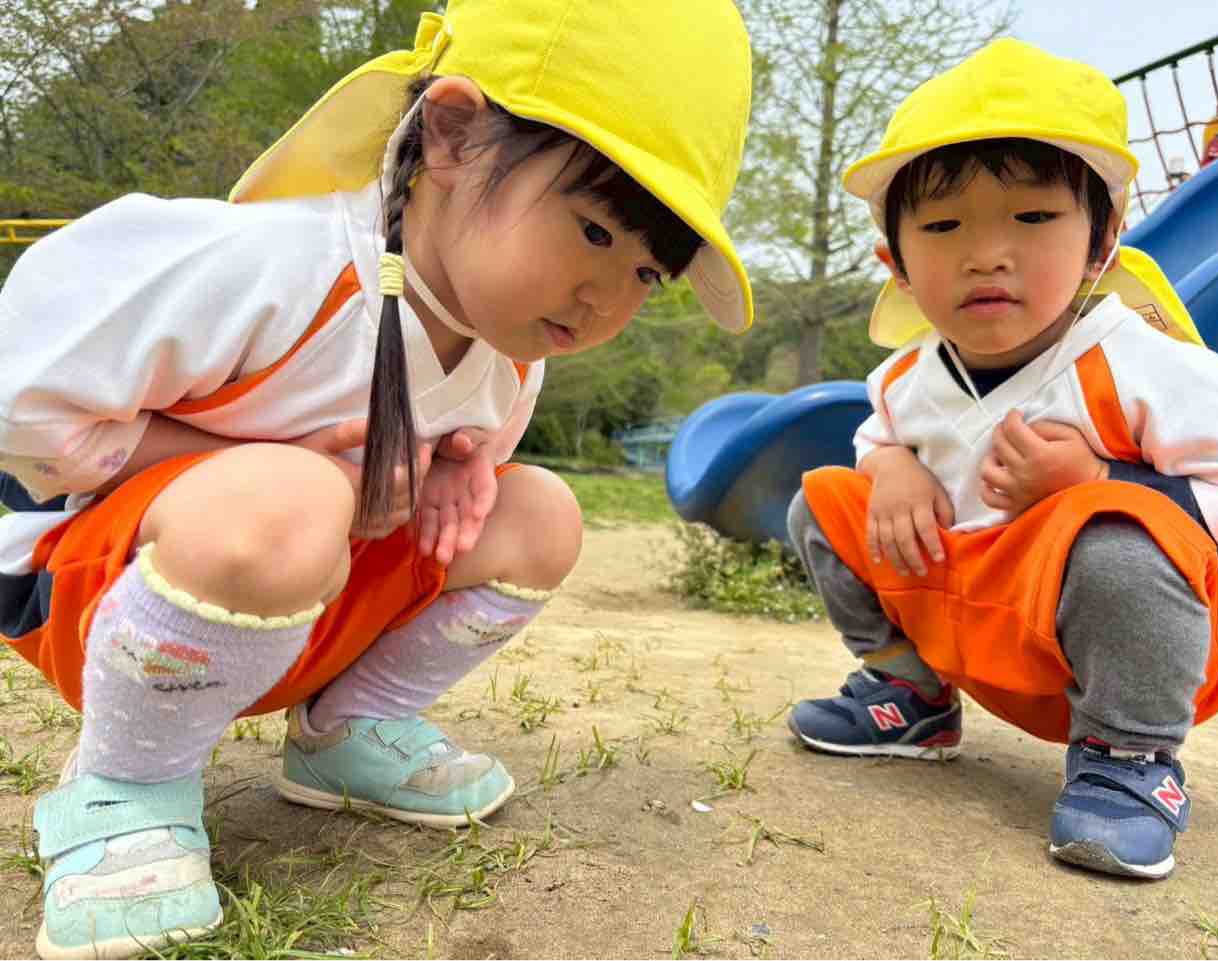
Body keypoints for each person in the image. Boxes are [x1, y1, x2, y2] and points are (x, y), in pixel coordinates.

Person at [0, 0, 753, 955]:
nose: (607, 296)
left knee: (540, 513)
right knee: (293, 498)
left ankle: (348, 727)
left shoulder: (509, 359)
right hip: (95, 595)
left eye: (648, 274)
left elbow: (392, 494)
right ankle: (122, 786)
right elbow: (20, 406)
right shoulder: (271, 266)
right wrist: (272, 465)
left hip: (297, 612)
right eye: (597, 233)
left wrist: (444, 477)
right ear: (454, 134)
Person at [785, 39, 1218, 881]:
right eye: (943, 226)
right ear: (896, 264)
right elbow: (877, 434)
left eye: (1035, 218)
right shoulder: (905, 377)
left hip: (1114, 655)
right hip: (972, 624)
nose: (987, 254)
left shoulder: (1135, 364)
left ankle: (1130, 762)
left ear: (1102, 240)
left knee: (1119, 536)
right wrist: (892, 464)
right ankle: (911, 694)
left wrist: (1102, 481)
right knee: (826, 503)